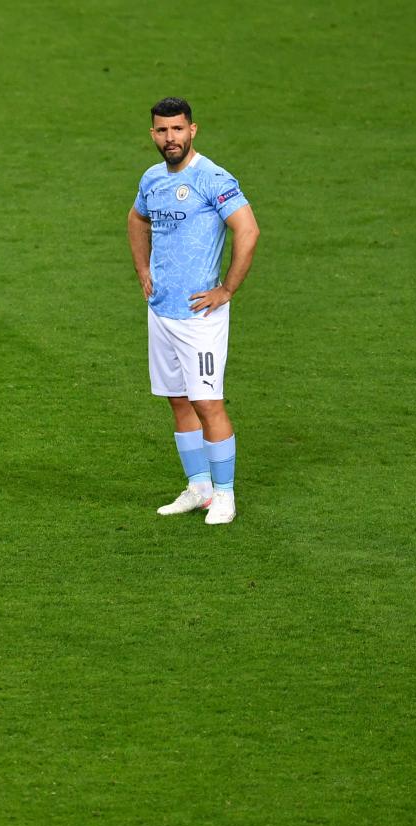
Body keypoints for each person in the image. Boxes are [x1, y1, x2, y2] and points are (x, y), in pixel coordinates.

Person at [127, 97, 260, 525]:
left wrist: (227, 289)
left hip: (199, 318)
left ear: (193, 130)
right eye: (163, 131)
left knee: (208, 402)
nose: (171, 138)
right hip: (162, 312)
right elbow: (136, 219)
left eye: (178, 130)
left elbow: (248, 229)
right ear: (153, 134)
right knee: (178, 401)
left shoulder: (212, 178)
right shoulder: (152, 179)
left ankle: (225, 495)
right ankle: (198, 486)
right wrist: (143, 269)